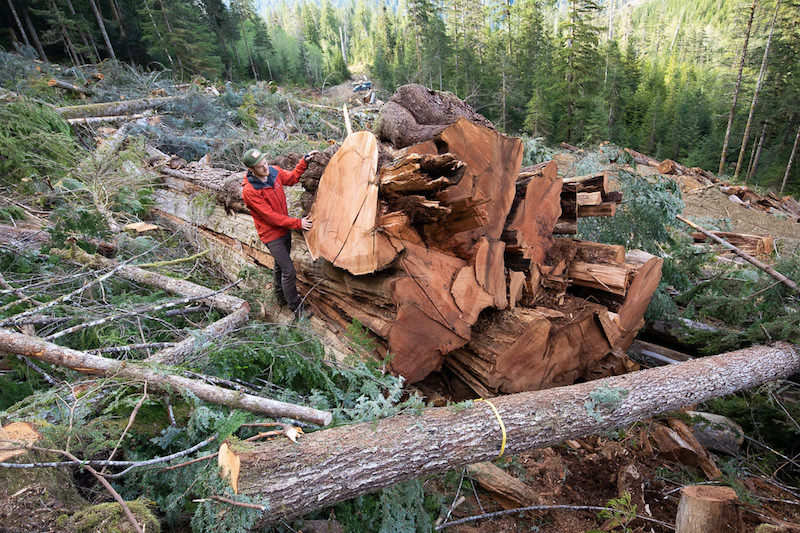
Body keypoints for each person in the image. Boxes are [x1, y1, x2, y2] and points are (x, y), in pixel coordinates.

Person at [241, 147, 319, 317]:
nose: (266, 168)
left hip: (284, 230)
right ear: (251, 170)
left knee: (279, 266)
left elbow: (291, 178)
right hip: (271, 235)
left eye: (265, 163)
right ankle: (296, 309)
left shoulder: (274, 172)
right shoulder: (250, 191)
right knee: (289, 271)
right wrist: (297, 223)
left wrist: (304, 161)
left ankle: (280, 297)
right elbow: (270, 217)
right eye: (261, 167)